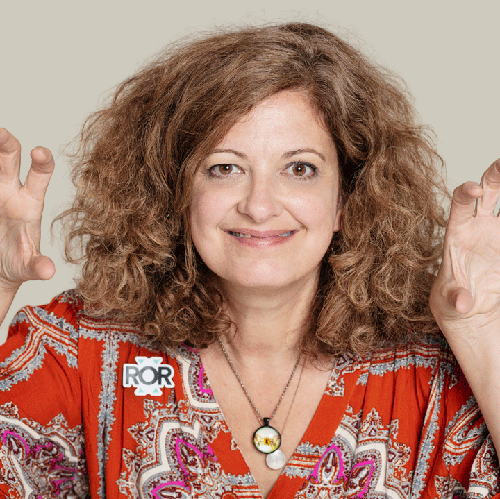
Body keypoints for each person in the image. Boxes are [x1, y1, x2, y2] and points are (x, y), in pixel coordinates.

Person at [0, 22, 499, 499]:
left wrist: (479, 333)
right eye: (224, 168)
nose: (259, 206)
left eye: (299, 168)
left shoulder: (433, 368)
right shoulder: (78, 348)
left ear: (346, 199)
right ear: (176, 192)